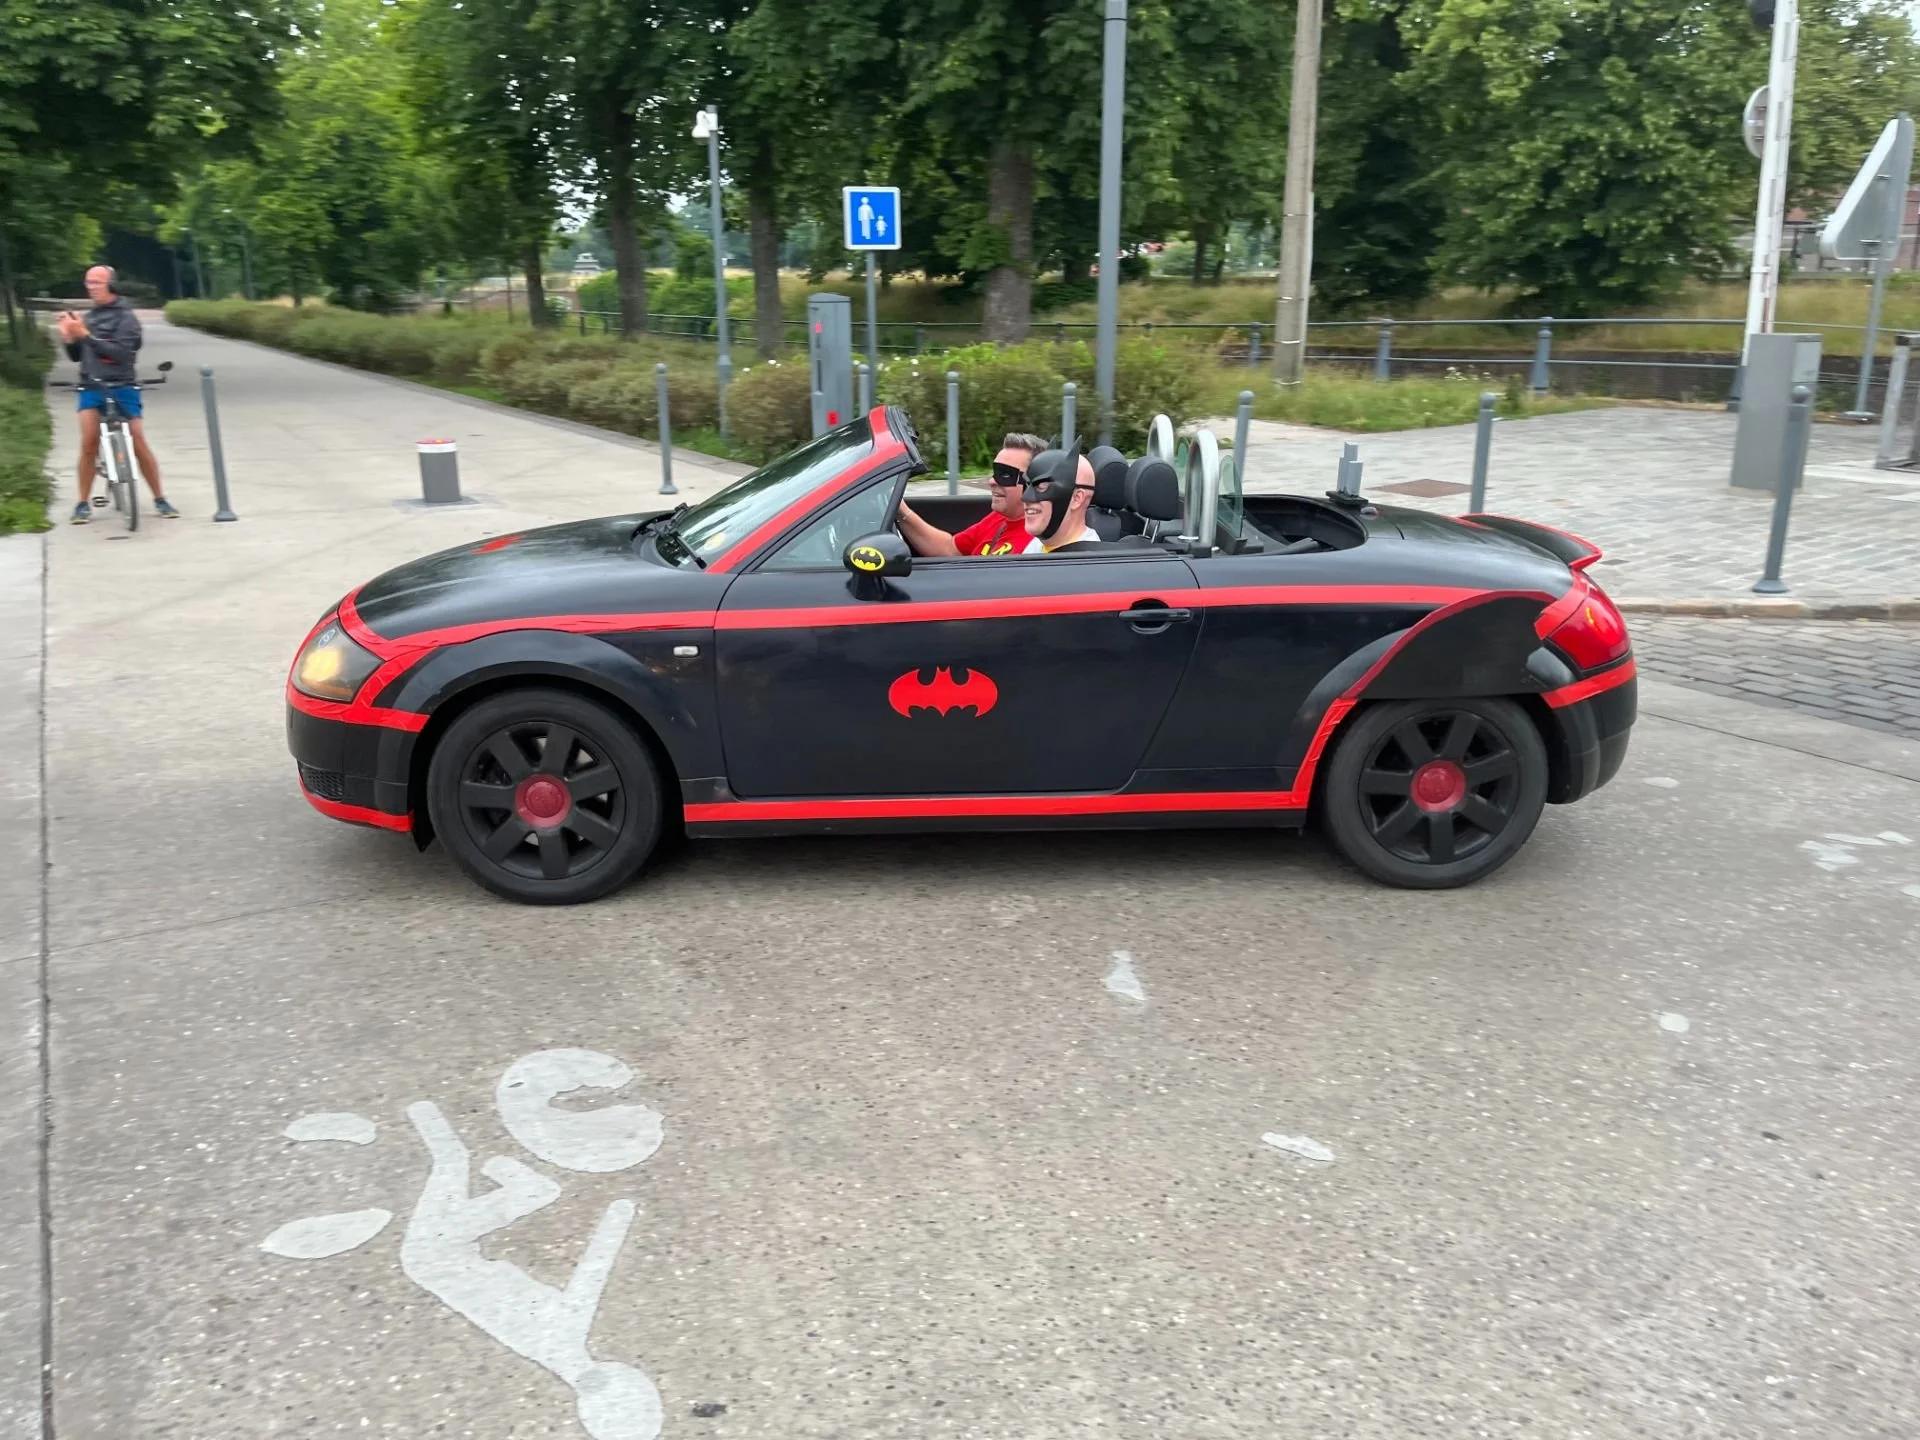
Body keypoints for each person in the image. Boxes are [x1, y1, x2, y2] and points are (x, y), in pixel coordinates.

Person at [55, 265, 178, 523]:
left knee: (136, 438)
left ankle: (160, 498)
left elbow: (122, 355)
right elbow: (78, 356)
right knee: (88, 442)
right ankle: (82, 503)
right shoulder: (88, 317)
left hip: (122, 384)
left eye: (97, 282)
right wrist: (69, 338)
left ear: (111, 285)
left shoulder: (126, 318)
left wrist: (85, 335)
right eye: (88, 282)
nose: (91, 287)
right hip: (91, 384)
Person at [896, 432, 1047, 557]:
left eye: (1005, 475)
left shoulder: (1041, 542)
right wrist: (900, 509)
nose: (992, 481)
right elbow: (950, 549)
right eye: (995, 472)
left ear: (1033, 482)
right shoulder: (999, 519)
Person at [1019, 449, 1100, 554]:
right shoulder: (1036, 546)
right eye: (1027, 485)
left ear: (1076, 499)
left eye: (1042, 486)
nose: (1026, 498)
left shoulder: (1087, 562)